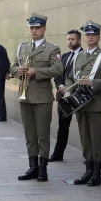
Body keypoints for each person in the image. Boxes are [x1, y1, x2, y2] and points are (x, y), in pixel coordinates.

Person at [11, 13, 64, 182]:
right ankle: (32, 167)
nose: (34, 31)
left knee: (42, 134)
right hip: (25, 96)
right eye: (32, 28)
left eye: (37, 28)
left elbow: (58, 69)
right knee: (30, 135)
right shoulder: (22, 47)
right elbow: (12, 67)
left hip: (42, 98)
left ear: (44, 29)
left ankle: (43, 168)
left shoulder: (52, 48)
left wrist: (36, 72)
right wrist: (17, 71)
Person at [66, 21, 101, 186]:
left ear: (99, 37)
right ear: (84, 37)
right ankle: (88, 169)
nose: (90, 37)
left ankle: (97, 173)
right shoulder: (79, 56)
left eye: (93, 34)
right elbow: (71, 77)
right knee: (85, 138)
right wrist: (68, 91)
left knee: (96, 139)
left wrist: (92, 83)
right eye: (88, 34)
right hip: (80, 104)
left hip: (96, 105)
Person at [49, 29, 82, 162]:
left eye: (73, 39)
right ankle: (58, 154)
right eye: (68, 39)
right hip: (64, 97)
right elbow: (57, 74)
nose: (70, 41)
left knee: (84, 128)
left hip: (79, 96)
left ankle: (89, 157)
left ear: (79, 40)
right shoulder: (65, 56)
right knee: (62, 127)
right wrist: (60, 86)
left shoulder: (85, 55)